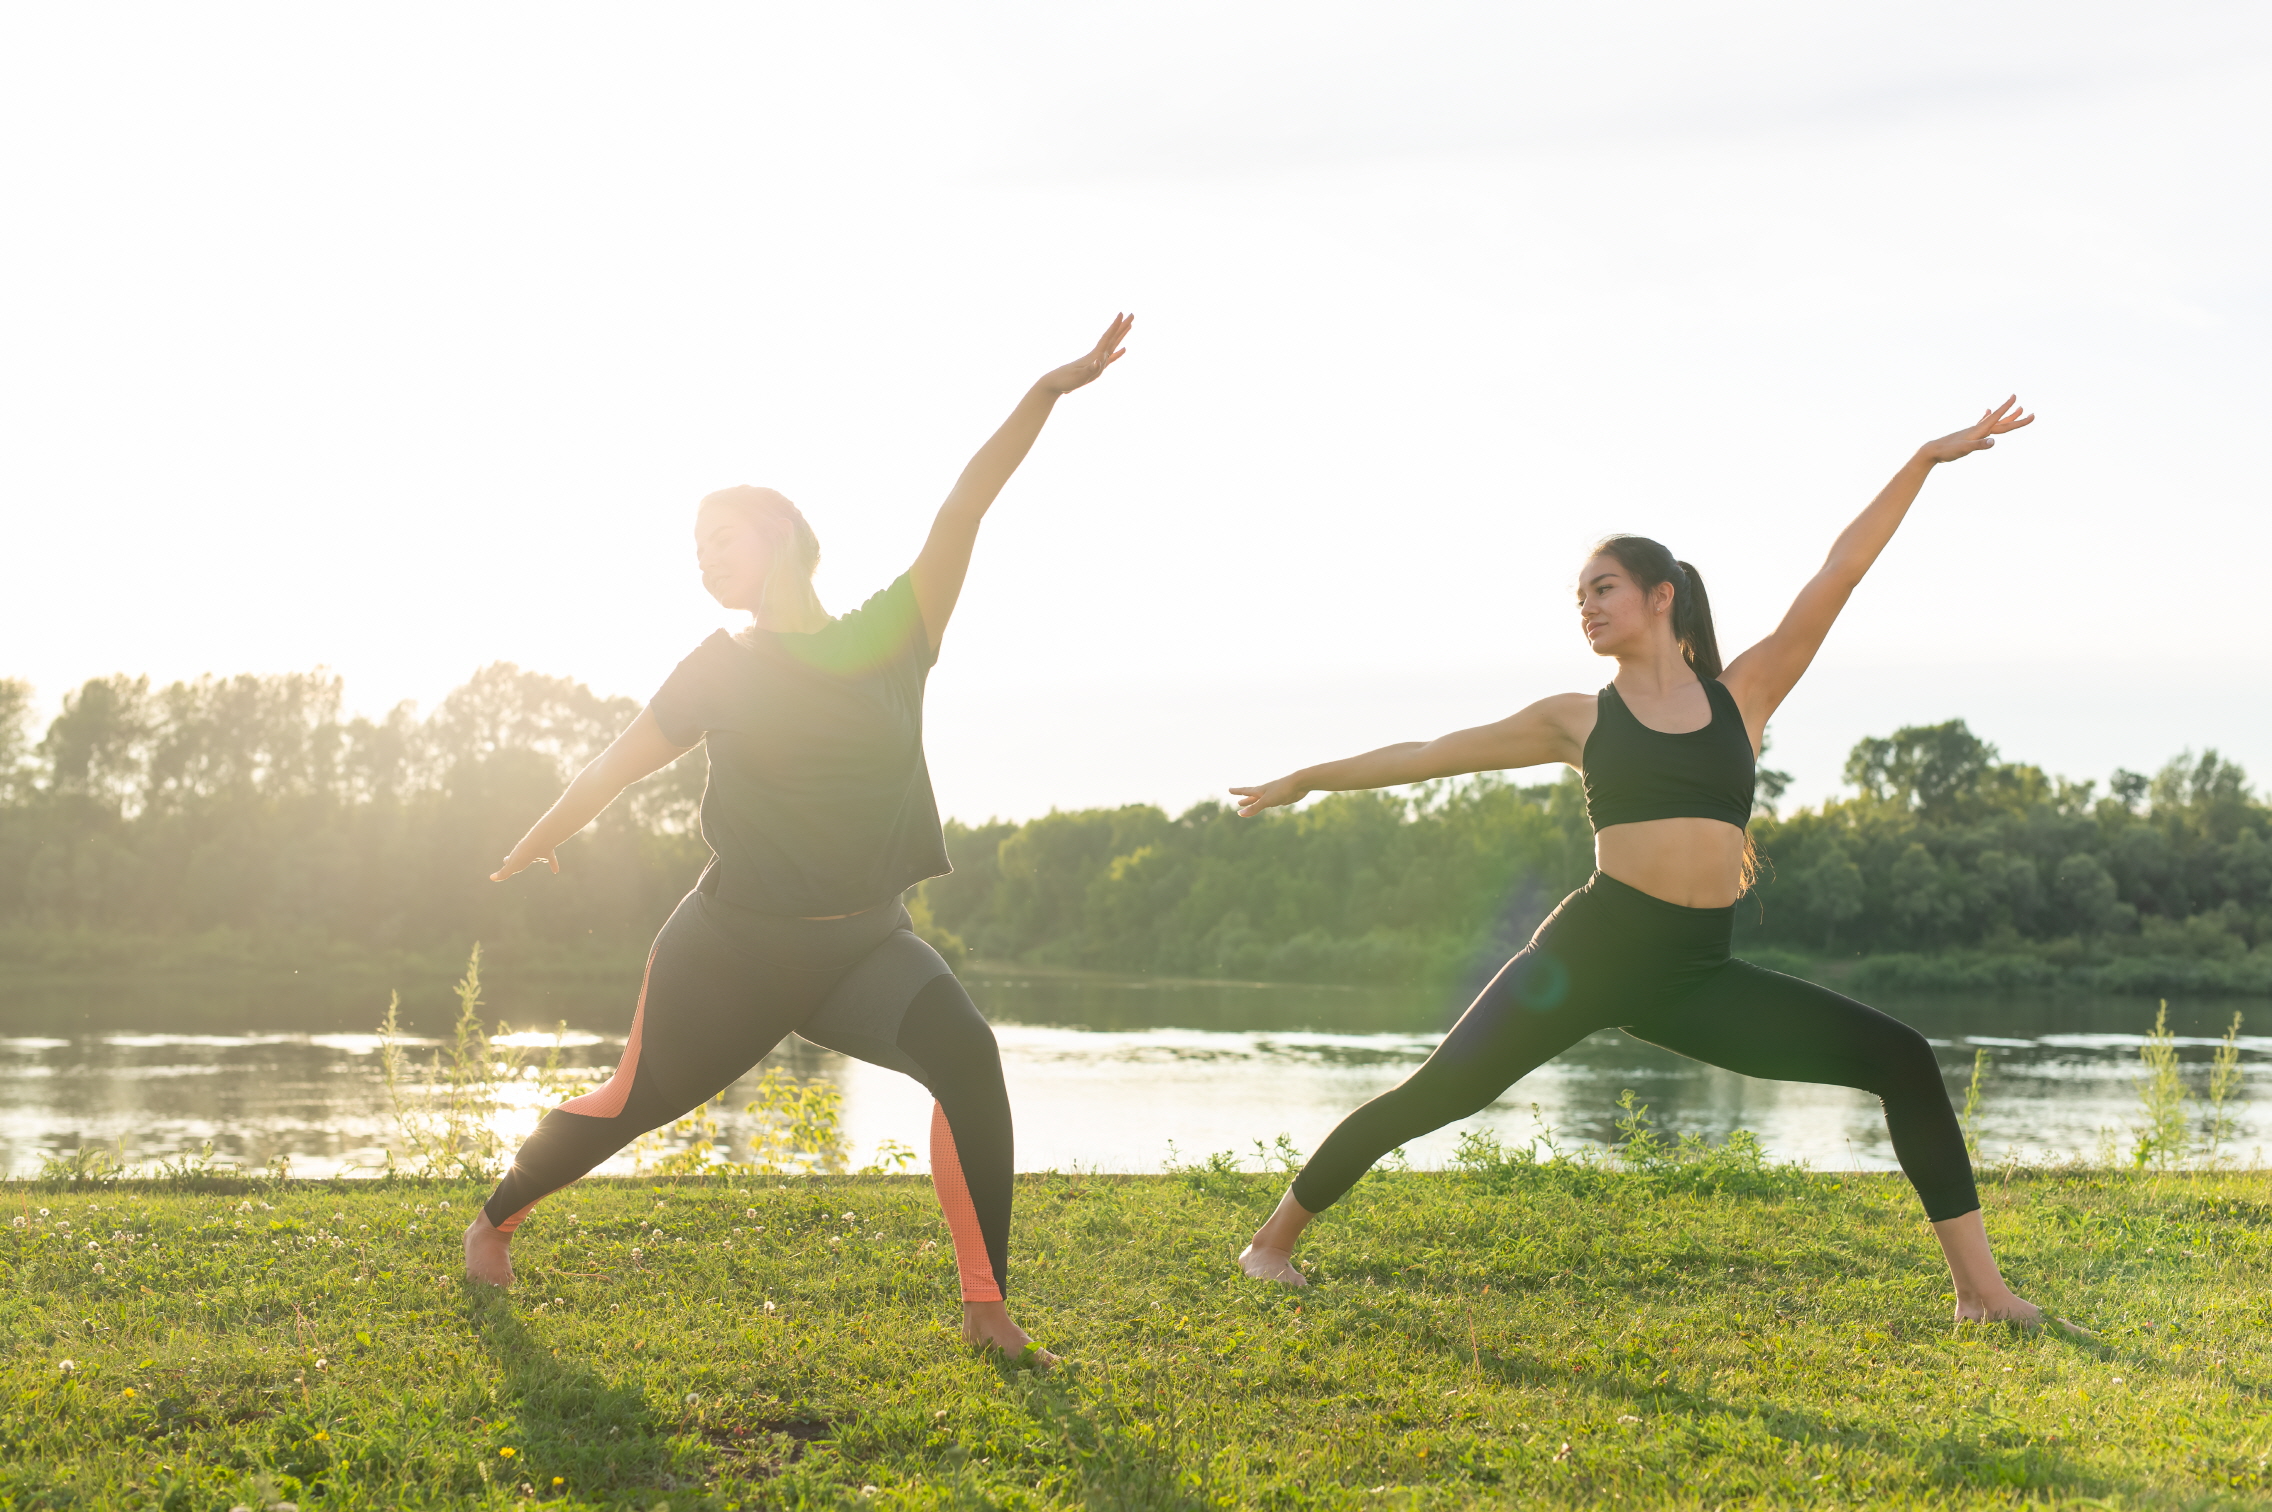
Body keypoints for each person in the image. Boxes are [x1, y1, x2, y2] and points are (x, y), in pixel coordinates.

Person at [1228, 398, 2043, 1323]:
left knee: (1902, 1058)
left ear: (1661, 596)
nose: (1587, 605)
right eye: (1579, 595)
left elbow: (1841, 570)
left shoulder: (1746, 694)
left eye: (1603, 587)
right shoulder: (1578, 718)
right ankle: (1270, 1244)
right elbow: (1428, 754)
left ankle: (1981, 1294)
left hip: (1696, 973)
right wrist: (1306, 778)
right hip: (1588, 953)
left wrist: (1924, 459)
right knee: (1436, 1096)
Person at [461, 314, 1135, 1365]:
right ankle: (495, 1215)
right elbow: (618, 760)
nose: (701, 562)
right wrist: (537, 837)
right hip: (730, 944)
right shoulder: (718, 665)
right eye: (692, 551)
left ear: (776, 533)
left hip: (862, 944)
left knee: (967, 1055)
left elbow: (967, 502)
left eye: (715, 538)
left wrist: (1045, 393)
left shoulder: (894, 631)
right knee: (632, 1103)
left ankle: (986, 1310)